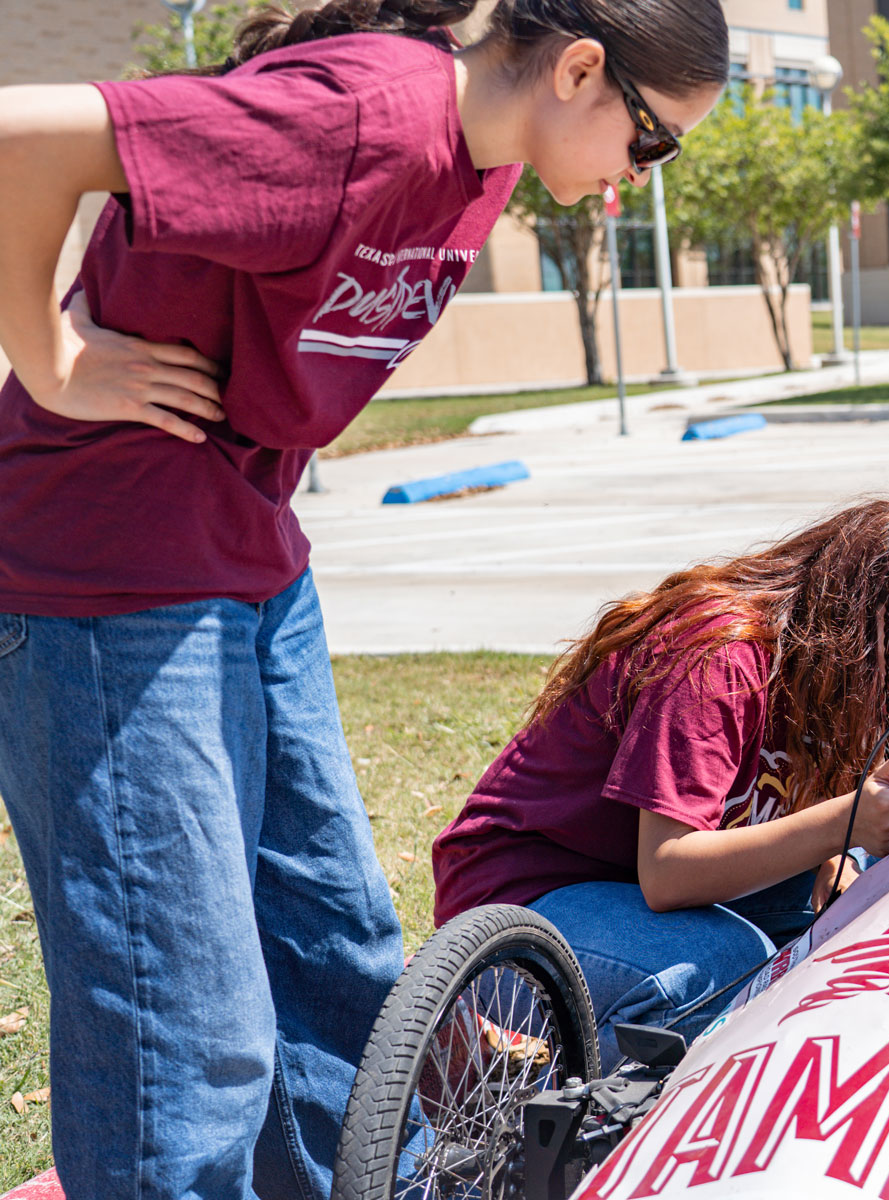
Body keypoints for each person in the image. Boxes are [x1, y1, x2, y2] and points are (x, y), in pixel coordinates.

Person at [0, 2, 728, 1198]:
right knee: (187, 1039)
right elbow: (21, 134)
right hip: (109, 576)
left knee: (336, 959)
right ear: (579, 70)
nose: (638, 177)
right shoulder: (362, 118)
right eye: (652, 140)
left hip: (250, 555)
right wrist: (48, 359)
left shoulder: (488, 164)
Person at [432, 500, 889, 1069]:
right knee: (734, 965)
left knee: (850, 929)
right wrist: (844, 822)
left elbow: (782, 811)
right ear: (848, 615)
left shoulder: (825, 672)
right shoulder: (721, 657)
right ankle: (525, 1106)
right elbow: (667, 872)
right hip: (516, 903)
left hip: (622, 891)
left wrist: (835, 858)